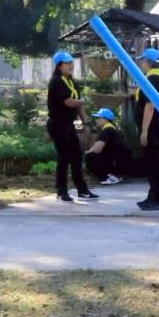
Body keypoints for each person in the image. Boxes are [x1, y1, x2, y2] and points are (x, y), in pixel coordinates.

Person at [47, 51, 97, 203]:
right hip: (58, 124)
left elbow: (78, 105)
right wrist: (83, 101)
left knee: (76, 156)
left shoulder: (72, 82)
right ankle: (61, 191)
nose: (71, 65)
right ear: (59, 66)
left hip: (69, 124)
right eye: (67, 63)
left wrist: (85, 122)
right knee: (63, 158)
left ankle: (82, 190)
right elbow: (69, 102)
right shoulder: (56, 81)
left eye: (71, 62)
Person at [134, 46, 159, 211]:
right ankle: (153, 196)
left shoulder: (153, 78)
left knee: (154, 165)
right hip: (157, 129)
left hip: (153, 130)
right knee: (154, 165)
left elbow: (150, 105)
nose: (141, 63)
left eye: (142, 60)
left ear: (147, 62)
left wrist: (144, 131)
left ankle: (157, 199)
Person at [84, 107, 129, 185]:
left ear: (106, 119)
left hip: (117, 162)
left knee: (90, 157)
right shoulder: (111, 128)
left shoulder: (108, 129)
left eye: (98, 118)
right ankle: (114, 175)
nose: (96, 120)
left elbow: (96, 150)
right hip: (119, 161)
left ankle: (108, 177)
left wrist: (88, 152)